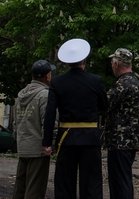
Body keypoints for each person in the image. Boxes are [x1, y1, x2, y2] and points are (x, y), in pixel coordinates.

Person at [42, 38, 109, 199]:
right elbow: (105, 105)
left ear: (67, 63)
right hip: (90, 138)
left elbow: (50, 112)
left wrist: (47, 142)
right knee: (91, 182)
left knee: (64, 182)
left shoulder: (57, 82)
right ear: (84, 61)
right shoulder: (95, 80)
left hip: (66, 138)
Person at [103, 48, 139, 199]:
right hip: (129, 140)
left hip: (120, 141)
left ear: (116, 64)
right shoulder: (135, 82)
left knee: (119, 183)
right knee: (124, 180)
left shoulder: (123, 84)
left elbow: (104, 104)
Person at [12, 59, 56, 199]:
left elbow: (15, 122)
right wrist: (51, 142)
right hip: (38, 149)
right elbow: (49, 122)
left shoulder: (20, 95)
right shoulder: (44, 95)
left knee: (20, 187)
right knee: (35, 190)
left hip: (23, 147)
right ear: (47, 76)